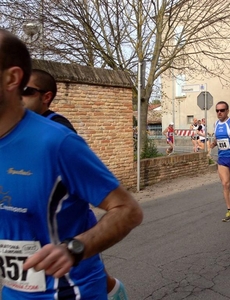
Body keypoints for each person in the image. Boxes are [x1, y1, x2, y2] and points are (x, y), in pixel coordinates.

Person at [0, 29, 143, 299]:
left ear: (11, 78)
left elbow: (128, 210)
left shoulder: (57, 143)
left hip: (69, 293)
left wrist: (74, 248)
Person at [21, 69, 128, 300]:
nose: (17, 96)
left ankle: (116, 292)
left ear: (45, 97)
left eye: (26, 91)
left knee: (87, 275)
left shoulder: (60, 133)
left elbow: (125, 207)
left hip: (69, 226)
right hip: (32, 230)